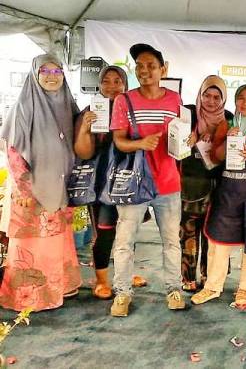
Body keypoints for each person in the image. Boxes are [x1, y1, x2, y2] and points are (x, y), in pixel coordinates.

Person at [109, 43, 187, 317]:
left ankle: (174, 289)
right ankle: (122, 293)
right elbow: (118, 141)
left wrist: (186, 142)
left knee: (171, 241)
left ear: (163, 69)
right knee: (124, 240)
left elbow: (183, 139)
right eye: (139, 66)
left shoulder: (175, 100)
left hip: (168, 183)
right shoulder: (124, 100)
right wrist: (140, 143)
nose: (144, 71)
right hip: (135, 184)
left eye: (151, 66)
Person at [0, 54, 81, 311]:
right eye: (45, 71)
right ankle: (30, 297)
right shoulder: (24, 105)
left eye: (57, 72)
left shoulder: (69, 105)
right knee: (31, 245)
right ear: (35, 74)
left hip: (60, 188)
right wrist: (24, 187)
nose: (51, 76)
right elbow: (12, 150)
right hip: (32, 191)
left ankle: (58, 288)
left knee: (55, 242)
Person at [191, 84, 246, 308]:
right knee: (218, 243)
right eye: (241, 98)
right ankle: (212, 286)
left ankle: (245, 289)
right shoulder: (225, 125)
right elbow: (216, 157)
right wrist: (228, 141)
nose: (245, 103)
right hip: (227, 196)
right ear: (235, 101)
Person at [73, 65, 148, 299]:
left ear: (126, 84)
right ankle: (102, 280)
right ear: (99, 84)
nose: (112, 86)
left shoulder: (133, 110)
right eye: (106, 81)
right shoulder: (89, 112)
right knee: (105, 232)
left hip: (128, 181)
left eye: (118, 81)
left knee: (128, 230)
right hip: (101, 185)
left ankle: (125, 273)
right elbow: (82, 153)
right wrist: (85, 128)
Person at [179, 75, 232, 292]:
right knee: (189, 231)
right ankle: (188, 276)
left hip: (219, 183)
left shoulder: (228, 118)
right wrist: (187, 137)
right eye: (206, 95)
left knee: (213, 232)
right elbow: (174, 143)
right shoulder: (188, 114)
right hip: (191, 182)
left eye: (216, 97)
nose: (211, 101)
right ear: (200, 95)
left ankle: (209, 275)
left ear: (223, 99)